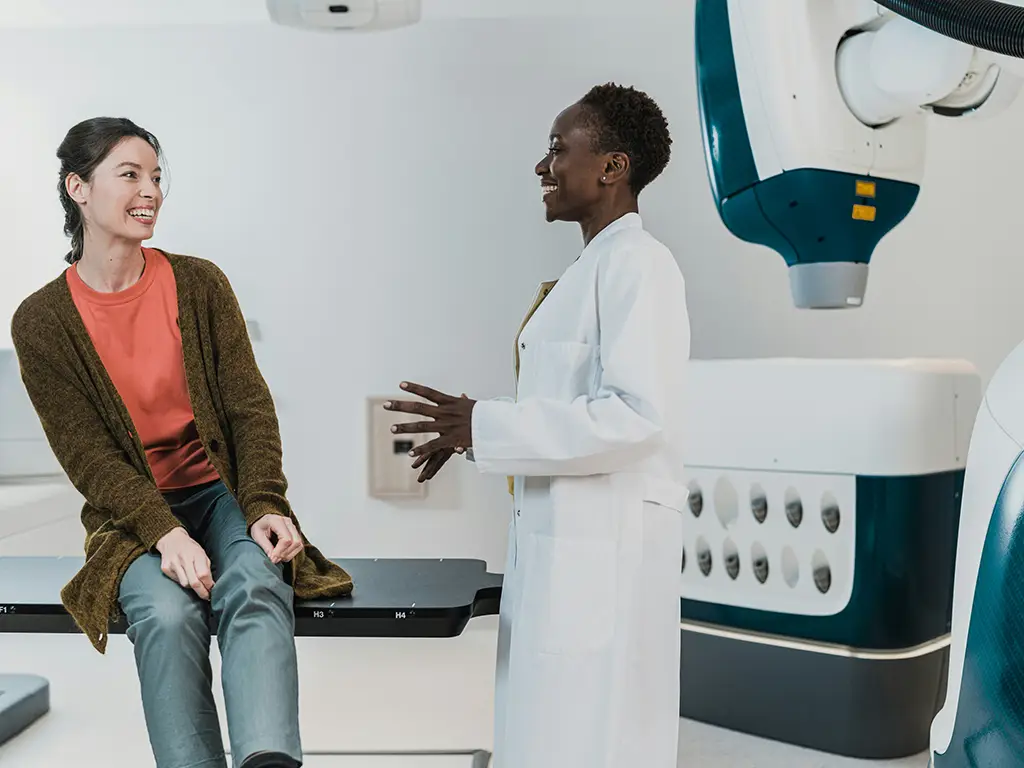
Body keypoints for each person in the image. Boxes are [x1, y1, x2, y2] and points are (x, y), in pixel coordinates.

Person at [10, 117, 353, 768]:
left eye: (157, 177)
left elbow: (248, 407)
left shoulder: (199, 285)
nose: (151, 192)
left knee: (254, 583)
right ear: (77, 188)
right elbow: (87, 455)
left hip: (220, 493)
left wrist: (264, 504)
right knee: (166, 619)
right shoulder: (41, 321)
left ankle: (267, 760)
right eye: (130, 175)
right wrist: (165, 534)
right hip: (133, 517)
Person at [385, 83, 690, 767]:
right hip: (568, 549)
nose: (541, 167)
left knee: (593, 739)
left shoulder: (641, 266)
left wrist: (485, 426)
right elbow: (573, 411)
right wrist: (474, 433)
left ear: (612, 167)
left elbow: (638, 418)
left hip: (601, 555)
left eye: (558, 149)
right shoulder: (593, 270)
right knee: (549, 733)